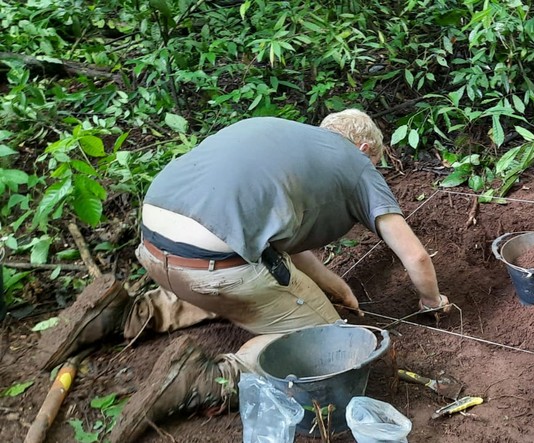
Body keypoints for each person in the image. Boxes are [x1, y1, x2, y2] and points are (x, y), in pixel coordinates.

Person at [37, 110, 450, 443]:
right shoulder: (357, 165)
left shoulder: (277, 133)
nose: (371, 168)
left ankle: (126, 313)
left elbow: (272, 236)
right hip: (218, 265)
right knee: (333, 342)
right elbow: (415, 256)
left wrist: (333, 283)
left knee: (227, 273)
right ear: (363, 148)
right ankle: (210, 377)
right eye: (373, 160)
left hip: (157, 243)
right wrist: (433, 301)